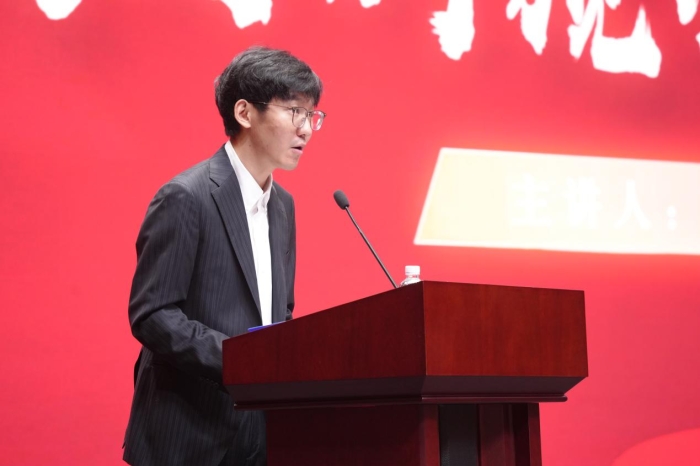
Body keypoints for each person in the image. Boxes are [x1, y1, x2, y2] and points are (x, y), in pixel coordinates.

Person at [122, 46, 325, 466]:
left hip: (261, 431)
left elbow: (280, 313)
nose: (306, 129)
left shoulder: (283, 206)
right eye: (295, 112)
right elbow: (153, 315)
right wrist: (241, 361)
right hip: (188, 433)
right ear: (245, 112)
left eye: (312, 115)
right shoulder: (186, 196)